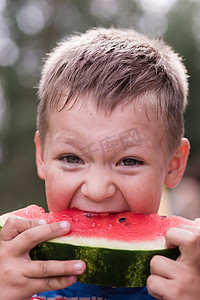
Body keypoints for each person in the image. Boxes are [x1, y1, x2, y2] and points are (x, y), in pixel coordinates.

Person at [0, 27, 200, 300]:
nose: (96, 190)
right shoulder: (7, 270)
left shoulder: (192, 277)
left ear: (175, 165)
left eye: (129, 161)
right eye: (72, 158)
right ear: (41, 156)